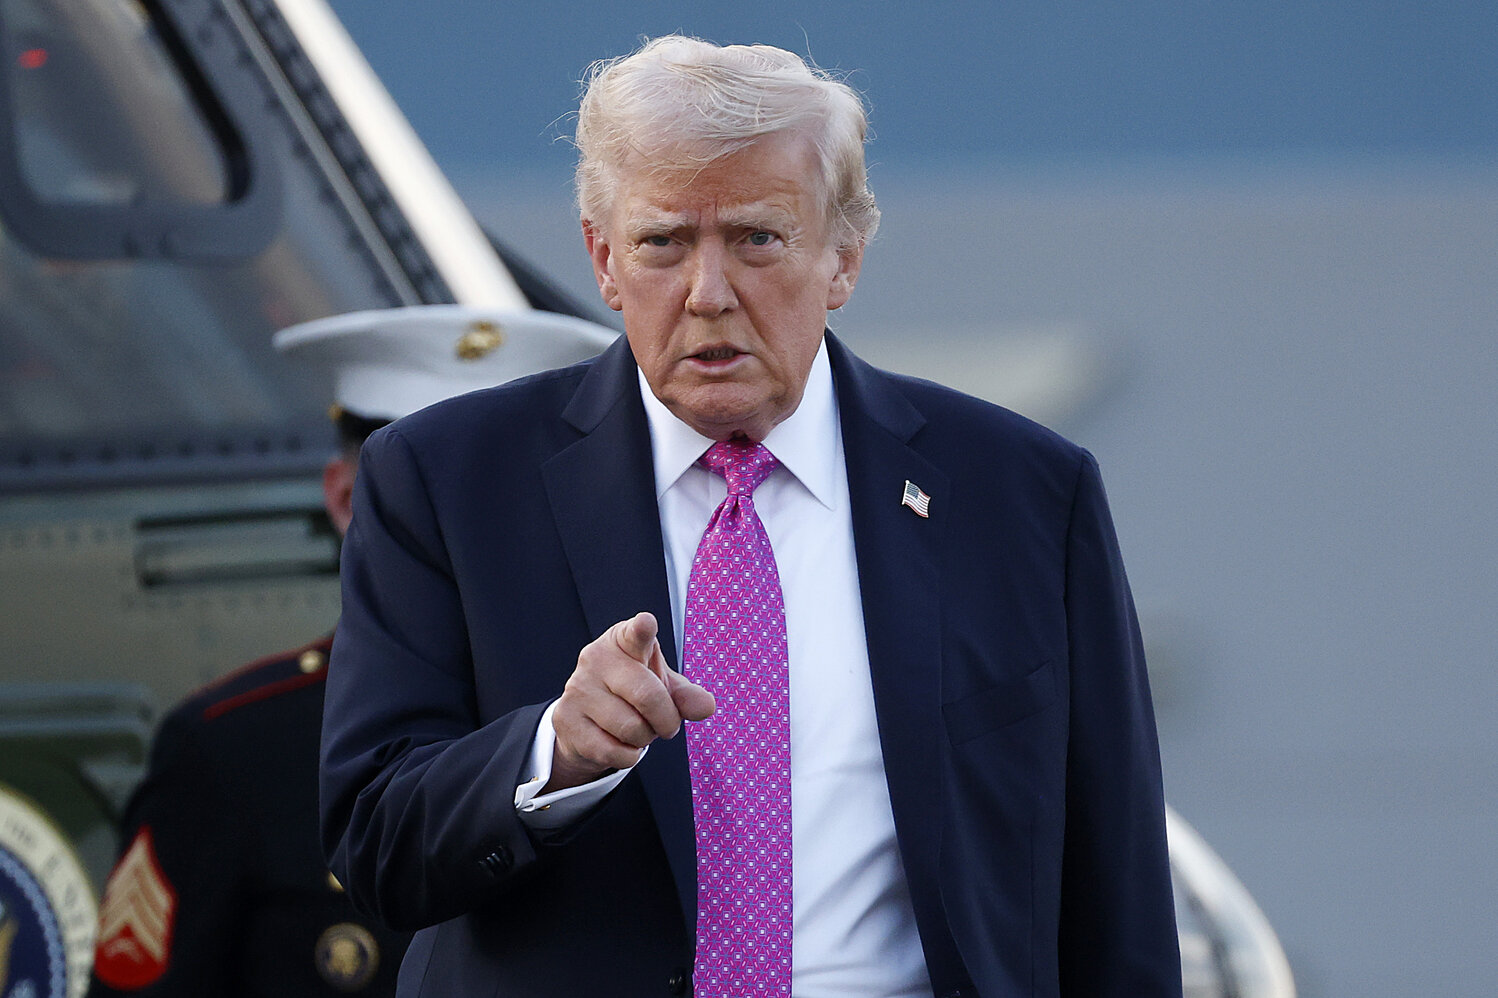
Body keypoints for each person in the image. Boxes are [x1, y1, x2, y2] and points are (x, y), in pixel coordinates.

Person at [320, 36, 1182, 998]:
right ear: (603, 260)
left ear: (842, 259)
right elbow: (375, 842)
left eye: (757, 239)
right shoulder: (447, 481)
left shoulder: (1020, 493)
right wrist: (554, 754)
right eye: (663, 243)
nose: (708, 293)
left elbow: (1118, 891)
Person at [86, 305, 615, 997]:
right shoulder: (235, 752)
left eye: (501, 497)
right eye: (425, 492)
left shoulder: (620, 731)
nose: (468, 528)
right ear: (346, 499)